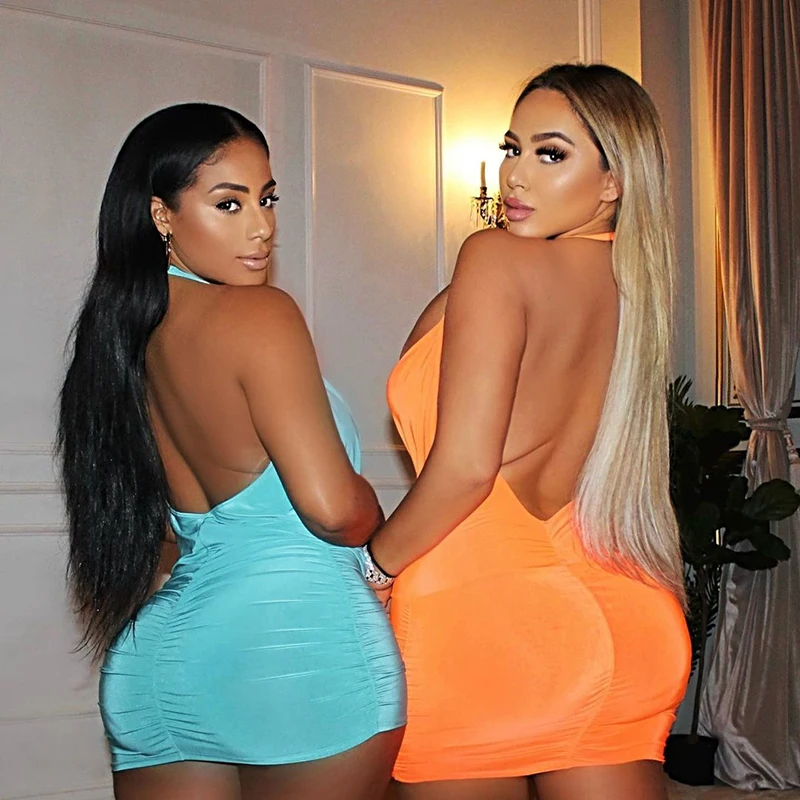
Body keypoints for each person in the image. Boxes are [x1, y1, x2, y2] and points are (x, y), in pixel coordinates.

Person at [57, 103, 405, 800]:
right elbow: (334, 509)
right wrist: (374, 518)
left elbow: (160, 532)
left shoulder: (118, 343)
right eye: (229, 203)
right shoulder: (260, 314)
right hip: (299, 653)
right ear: (161, 215)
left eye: (266, 199)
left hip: (160, 666)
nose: (262, 227)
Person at [363, 64, 692, 800]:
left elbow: (465, 470)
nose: (515, 174)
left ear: (614, 181)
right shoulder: (634, 290)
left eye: (551, 154)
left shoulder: (493, 258)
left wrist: (370, 573)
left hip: (480, 626)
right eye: (513, 148)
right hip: (627, 614)